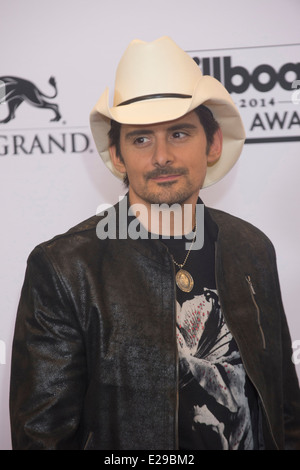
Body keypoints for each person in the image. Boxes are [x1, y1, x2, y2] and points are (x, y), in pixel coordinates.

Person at [10, 36, 300, 450]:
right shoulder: (64, 267)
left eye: (179, 133)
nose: (161, 155)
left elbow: (282, 405)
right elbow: (42, 436)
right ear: (117, 155)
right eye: (141, 138)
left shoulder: (251, 246)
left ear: (213, 144)